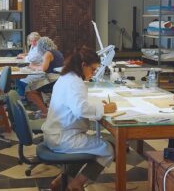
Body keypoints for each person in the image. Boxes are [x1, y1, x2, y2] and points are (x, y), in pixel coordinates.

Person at [41, 46, 114, 191]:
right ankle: (76, 184)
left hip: (55, 134)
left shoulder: (66, 77)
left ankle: (60, 182)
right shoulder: (75, 82)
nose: (93, 74)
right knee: (107, 149)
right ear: (83, 65)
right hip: (62, 138)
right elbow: (80, 109)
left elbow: (77, 103)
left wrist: (98, 105)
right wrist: (104, 109)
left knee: (88, 149)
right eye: (92, 69)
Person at [24, 37, 64, 116]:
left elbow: (43, 68)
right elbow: (47, 65)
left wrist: (32, 66)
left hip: (52, 80)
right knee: (35, 88)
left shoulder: (48, 53)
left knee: (29, 91)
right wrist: (35, 65)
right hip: (58, 78)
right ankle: (44, 109)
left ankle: (45, 111)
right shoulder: (57, 52)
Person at [16, 32, 43, 96]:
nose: (33, 43)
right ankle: (22, 95)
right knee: (17, 75)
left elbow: (31, 59)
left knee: (20, 79)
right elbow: (30, 54)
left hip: (38, 71)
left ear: (38, 40)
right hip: (32, 68)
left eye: (35, 41)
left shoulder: (40, 48)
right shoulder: (33, 46)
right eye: (31, 41)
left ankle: (23, 97)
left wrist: (22, 56)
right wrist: (24, 54)